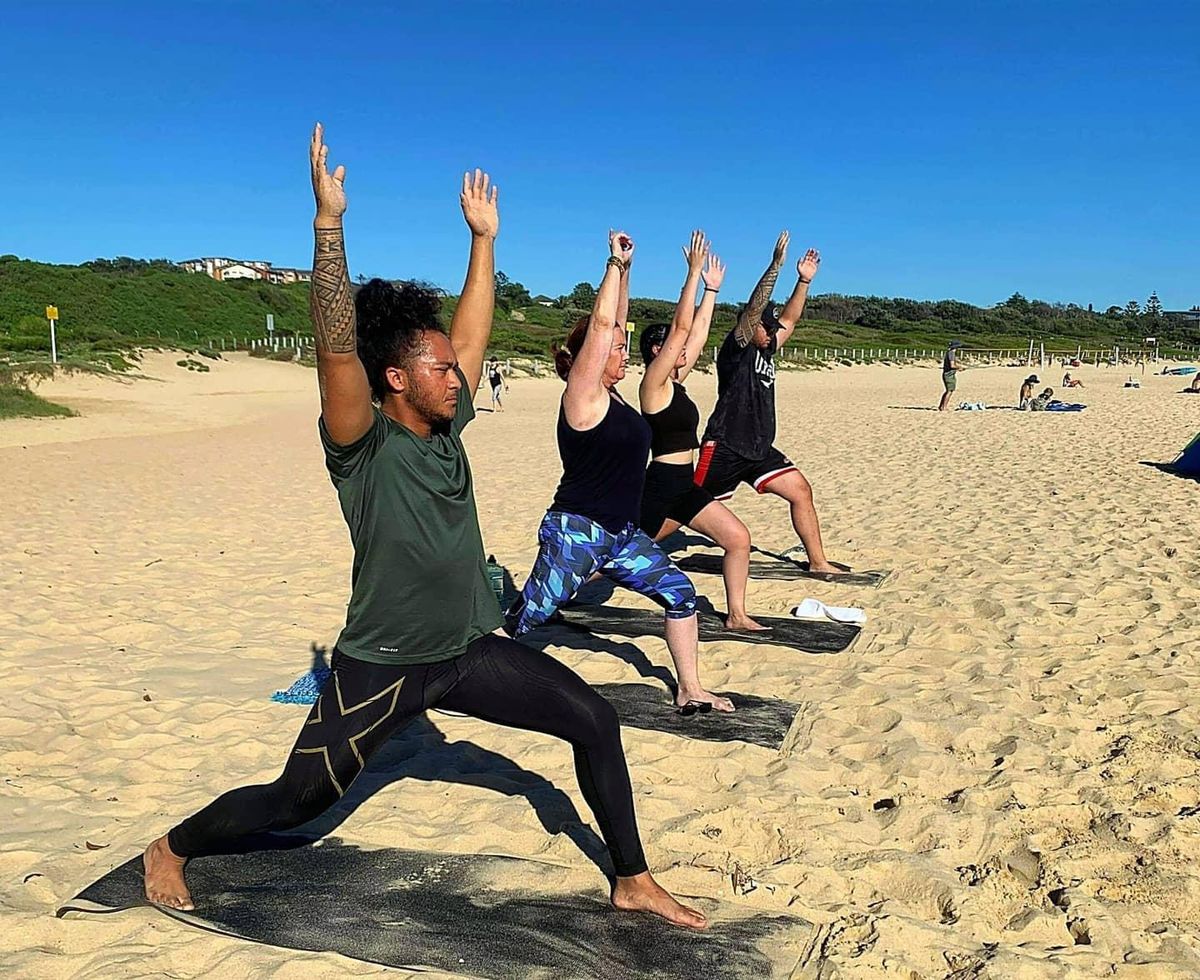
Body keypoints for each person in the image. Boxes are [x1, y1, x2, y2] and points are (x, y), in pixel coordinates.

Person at [140, 125, 707, 932]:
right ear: (396, 379)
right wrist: (327, 226)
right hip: (384, 665)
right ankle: (173, 845)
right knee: (298, 801)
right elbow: (337, 347)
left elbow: (470, 335)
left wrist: (483, 243)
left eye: (453, 367)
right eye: (439, 369)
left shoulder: (447, 424)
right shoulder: (362, 443)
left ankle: (631, 877)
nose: (458, 375)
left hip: (468, 651)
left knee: (596, 720)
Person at [505, 230, 733, 715]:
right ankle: (456, 671)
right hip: (577, 534)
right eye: (615, 348)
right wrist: (612, 264)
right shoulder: (582, 397)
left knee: (680, 592)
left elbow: (618, 323)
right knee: (528, 619)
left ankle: (690, 688)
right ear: (591, 353)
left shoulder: (618, 397)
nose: (624, 350)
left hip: (621, 536)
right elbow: (606, 323)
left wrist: (629, 270)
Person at [693, 231, 843, 576]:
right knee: (681, 507)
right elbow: (754, 309)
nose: (774, 330)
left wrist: (803, 281)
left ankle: (818, 562)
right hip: (725, 446)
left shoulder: (767, 346)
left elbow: (790, 320)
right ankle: (627, 550)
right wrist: (775, 265)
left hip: (758, 448)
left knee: (801, 490)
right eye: (768, 325)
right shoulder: (737, 347)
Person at [637, 232, 764, 631]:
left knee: (737, 539)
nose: (680, 350)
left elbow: (698, 333)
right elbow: (681, 329)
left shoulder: (675, 383)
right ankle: (550, 594)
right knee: (615, 558)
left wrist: (711, 290)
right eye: (669, 346)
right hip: (658, 485)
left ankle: (737, 616)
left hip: (685, 485)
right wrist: (691, 274)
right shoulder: (653, 386)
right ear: (656, 352)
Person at [939, 340, 965, 411]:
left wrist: (959, 368)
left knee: (948, 390)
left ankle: (941, 406)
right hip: (949, 375)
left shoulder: (949, 353)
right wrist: (959, 367)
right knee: (949, 391)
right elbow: (952, 365)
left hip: (949, 374)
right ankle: (944, 407)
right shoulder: (951, 353)